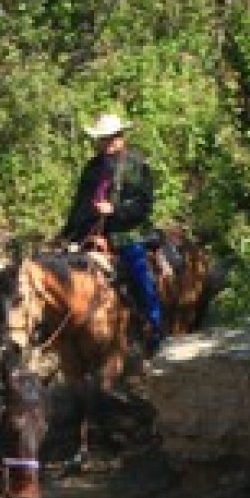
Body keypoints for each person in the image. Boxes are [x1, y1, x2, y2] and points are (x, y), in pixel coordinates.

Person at [59, 111, 164, 354]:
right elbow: (80, 205)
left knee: (140, 276)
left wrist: (114, 210)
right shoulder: (92, 168)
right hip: (92, 235)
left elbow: (143, 205)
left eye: (108, 138)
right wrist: (71, 236)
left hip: (128, 234)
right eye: (101, 139)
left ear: (120, 137)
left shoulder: (136, 166)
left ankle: (154, 329)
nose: (104, 143)